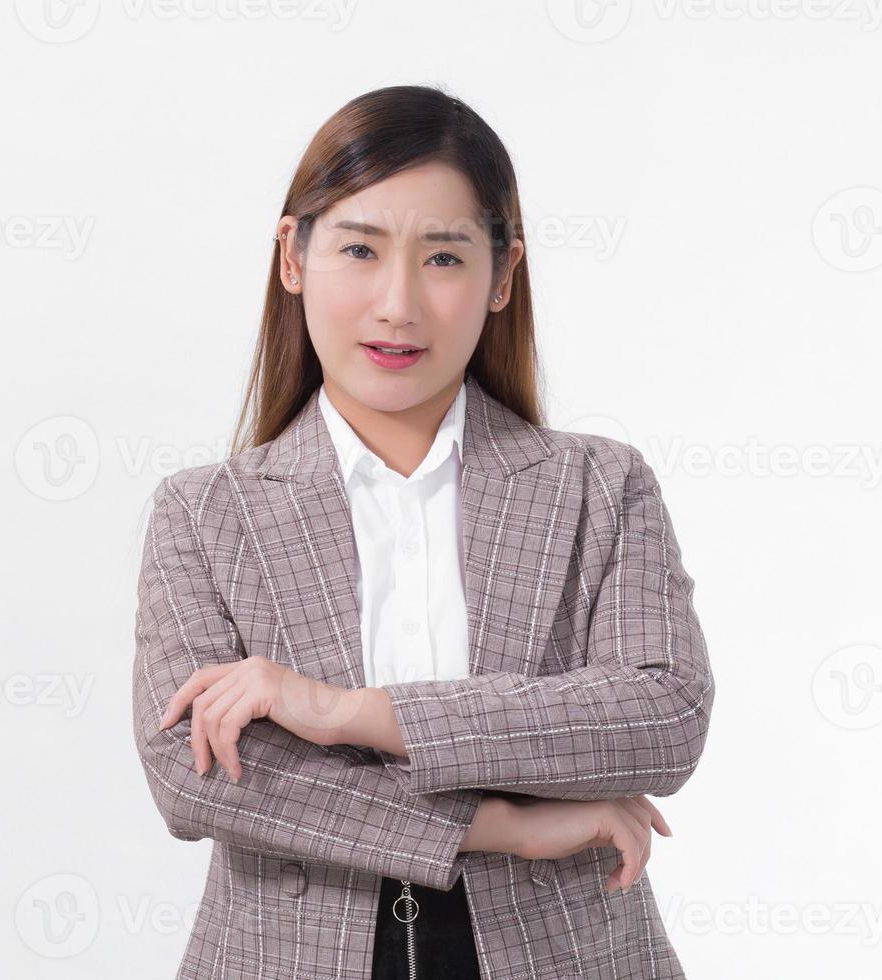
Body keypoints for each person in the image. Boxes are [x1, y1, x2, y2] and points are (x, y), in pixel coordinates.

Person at [134, 83, 716, 980]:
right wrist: (506, 826)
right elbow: (195, 774)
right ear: (293, 257)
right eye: (360, 249)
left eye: (443, 258)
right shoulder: (207, 512)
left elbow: (661, 716)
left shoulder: (600, 486)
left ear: (502, 275)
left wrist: (341, 713)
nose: (397, 303)